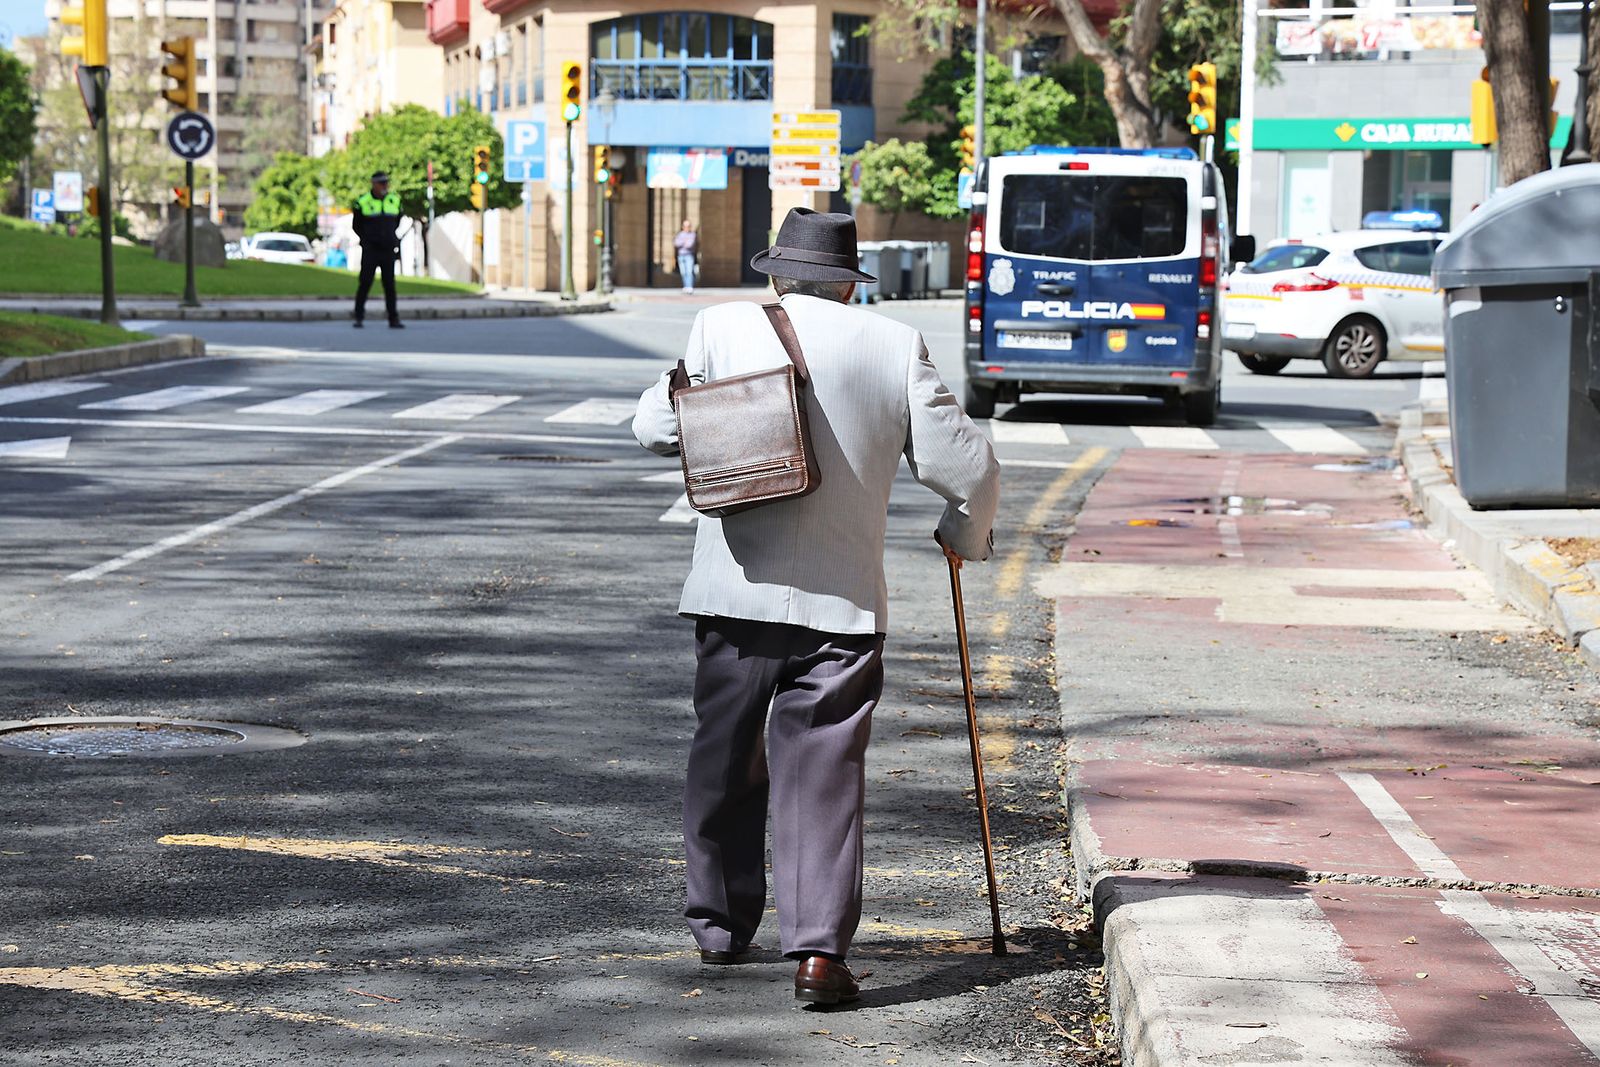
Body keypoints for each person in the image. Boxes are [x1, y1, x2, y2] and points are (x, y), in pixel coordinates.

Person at [632, 208, 1000, 1005]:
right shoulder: (894, 344)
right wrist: (961, 534)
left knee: (723, 759)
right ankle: (819, 955)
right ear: (850, 281)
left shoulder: (722, 324)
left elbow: (654, 428)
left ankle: (721, 927)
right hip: (844, 606)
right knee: (824, 775)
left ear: (777, 274)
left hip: (736, 594)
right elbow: (968, 467)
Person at [352, 171, 403, 329]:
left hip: (387, 249)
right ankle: (359, 316)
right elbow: (357, 225)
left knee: (389, 284)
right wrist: (367, 240)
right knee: (365, 282)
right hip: (371, 250)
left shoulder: (394, 200)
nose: (384, 186)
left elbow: (397, 220)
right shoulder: (363, 202)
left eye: (386, 183)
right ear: (373, 184)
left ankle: (393, 318)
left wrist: (389, 237)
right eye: (381, 183)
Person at [673, 219, 700, 293]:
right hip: (681, 256)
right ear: (682, 227)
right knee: (683, 272)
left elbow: (689, 245)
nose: (686, 227)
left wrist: (682, 242)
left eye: (688, 226)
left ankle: (689, 287)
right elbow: (676, 243)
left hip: (689, 256)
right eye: (685, 226)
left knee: (689, 271)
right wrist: (684, 242)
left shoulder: (693, 235)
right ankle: (685, 286)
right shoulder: (680, 234)